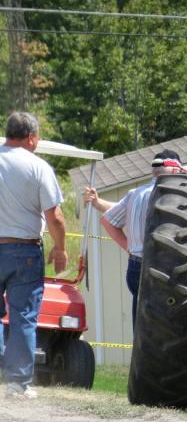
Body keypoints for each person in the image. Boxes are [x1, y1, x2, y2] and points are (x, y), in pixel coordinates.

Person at [84, 149, 187, 329]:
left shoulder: (135, 194)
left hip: (136, 266)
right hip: (170, 271)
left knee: (143, 327)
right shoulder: (183, 198)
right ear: (177, 171)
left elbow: (108, 219)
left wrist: (128, 246)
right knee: (175, 325)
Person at [0, 112, 67, 399]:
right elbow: (55, 216)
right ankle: (17, 384)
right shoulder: (38, 167)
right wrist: (60, 247)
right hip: (24, 249)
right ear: (31, 137)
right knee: (23, 317)